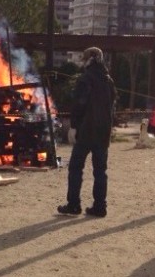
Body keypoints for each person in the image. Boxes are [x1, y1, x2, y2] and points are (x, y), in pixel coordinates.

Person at [58, 47, 117, 218]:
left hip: (86, 130)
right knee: (100, 171)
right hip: (103, 131)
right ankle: (100, 207)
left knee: (76, 167)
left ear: (89, 60)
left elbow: (79, 104)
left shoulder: (85, 79)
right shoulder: (109, 81)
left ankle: (74, 205)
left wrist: (74, 126)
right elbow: (112, 105)